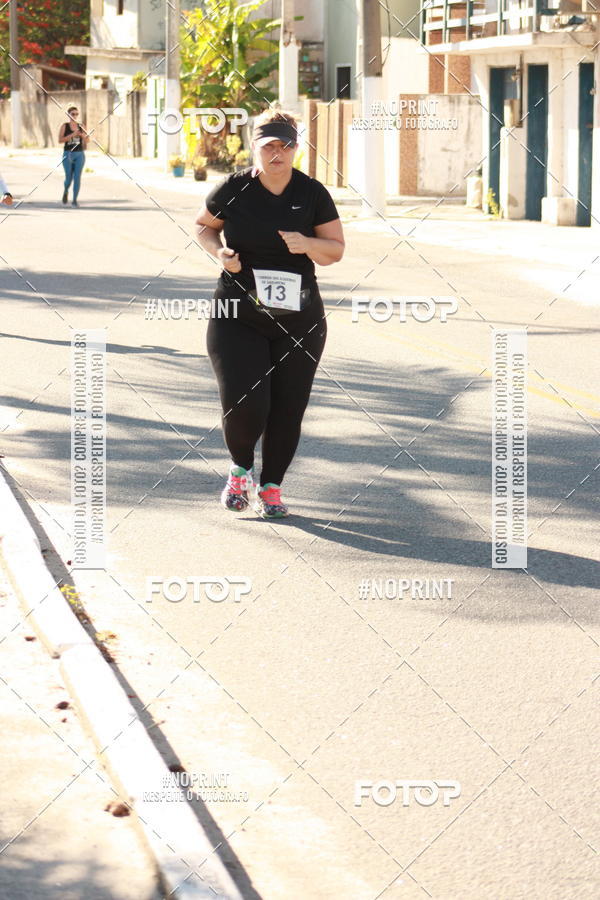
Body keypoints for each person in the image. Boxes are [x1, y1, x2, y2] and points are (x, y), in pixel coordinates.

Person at [194, 109, 345, 519]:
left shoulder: (312, 193)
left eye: (286, 145)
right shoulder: (234, 189)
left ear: (296, 147)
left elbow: (335, 250)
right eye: (269, 146)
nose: (277, 153)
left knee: (288, 408)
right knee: (247, 404)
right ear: (255, 147)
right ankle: (240, 469)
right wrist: (219, 253)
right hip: (237, 314)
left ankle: (272, 487)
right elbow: (204, 227)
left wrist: (306, 244)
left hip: (299, 320)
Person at [58, 106, 87, 207]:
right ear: (68, 115)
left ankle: (74, 200)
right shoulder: (64, 126)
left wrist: (83, 136)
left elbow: (87, 140)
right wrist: (73, 135)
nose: (75, 116)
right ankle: (66, 190)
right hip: (68, 154)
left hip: (79, 154)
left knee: (77, 177)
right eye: (73, 114)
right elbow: (60, 140)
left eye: (76, 114)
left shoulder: (81, 126)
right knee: (68, 178)